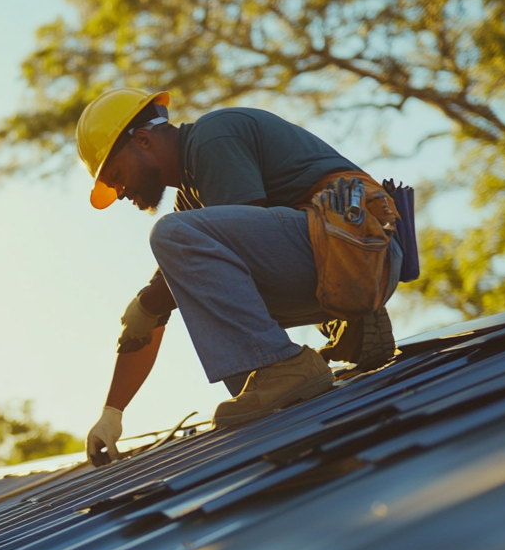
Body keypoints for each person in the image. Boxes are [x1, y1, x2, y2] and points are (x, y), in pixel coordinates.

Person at [78, 89, 406, 464]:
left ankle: (282, 366)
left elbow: (237, 250)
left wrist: (148, 303)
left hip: (358, 248)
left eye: (117, 176)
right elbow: (173, 292)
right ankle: (350, 326)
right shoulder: (194, 199)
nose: (120, 193)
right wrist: (112, 413)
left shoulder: (212, 137)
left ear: (144, 140)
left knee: (170, 237)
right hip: (343, 257)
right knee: (203, 297)